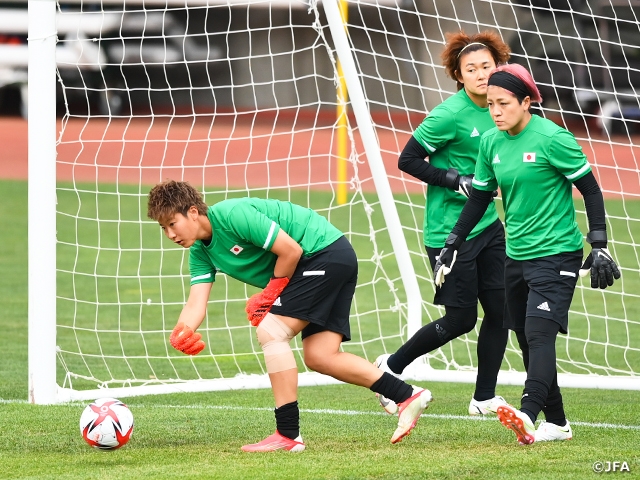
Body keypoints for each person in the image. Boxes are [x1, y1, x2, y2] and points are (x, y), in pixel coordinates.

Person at [147, 180, 433, 452]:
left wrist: (269, 293)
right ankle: (407, 395)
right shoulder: (200, 253)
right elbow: (196, 301)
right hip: (321, 263)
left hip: (322, 254)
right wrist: (182, 331)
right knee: (320, 356)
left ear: (193, 212)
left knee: (271, 332)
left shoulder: (233, 215)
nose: (170, 234)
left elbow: (291, 250)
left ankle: (287, 434)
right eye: (163, 228)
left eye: (173, 223)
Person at [433, 63, 620, 444]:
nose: (496, 112)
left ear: (525, 101)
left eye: (503, 103)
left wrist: (598, 243)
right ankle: (558, 423)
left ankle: (528, 412)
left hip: (558, 255)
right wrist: (452, 243)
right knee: (523, 335)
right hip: (515, 256)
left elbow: (593, 190)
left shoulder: (554, 138)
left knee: (538, 335)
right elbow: (480, 198)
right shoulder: (490, 142)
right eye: (489, 105)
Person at [374, 30, 512, 417]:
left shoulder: (503, 105)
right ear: (458, 75)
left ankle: (484, 397)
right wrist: (456, 180)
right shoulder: (448, 115)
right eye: (472, 69)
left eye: (487, 66)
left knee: (501, 312)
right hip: (449, 232)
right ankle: (391, 367)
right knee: (461, 319)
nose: (481, 73)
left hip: (488, 226)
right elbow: (408, 159)